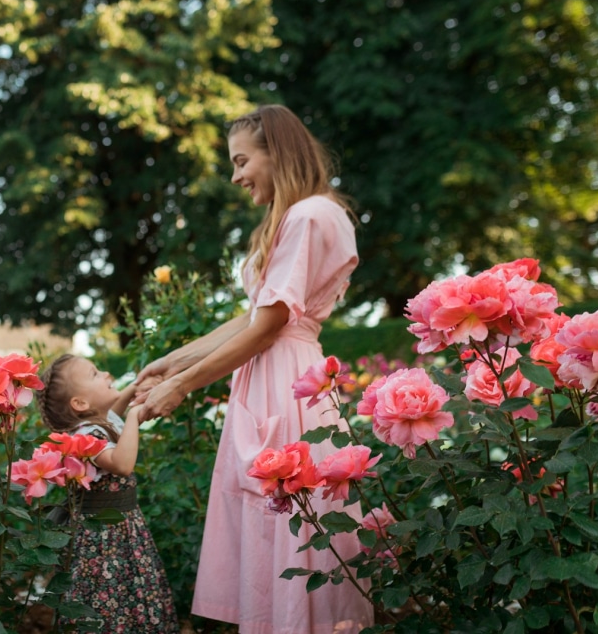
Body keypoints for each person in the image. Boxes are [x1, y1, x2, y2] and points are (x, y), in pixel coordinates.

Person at [135, 104, 373, 633]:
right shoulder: (298, 217)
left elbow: (268, 327)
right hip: (276, 375)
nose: (236, 175)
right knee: (277, 519)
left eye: (242, 161)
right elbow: (252, 318)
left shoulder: (310, 214)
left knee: (293, 517)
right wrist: (169, 363)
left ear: (277, 153)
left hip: (287, 380)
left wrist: (180, 387)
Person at [36, 354, 180, 634]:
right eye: (94, 374)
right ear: (80, 404)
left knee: (127, 591)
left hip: (121, 530)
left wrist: (135, 388)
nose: (104, 373)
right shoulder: (86, 437)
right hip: (104, 540)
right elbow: (122, 464)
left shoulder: (98, 422)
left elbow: (115, 408)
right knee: (110, 596)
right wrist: (135, 416)